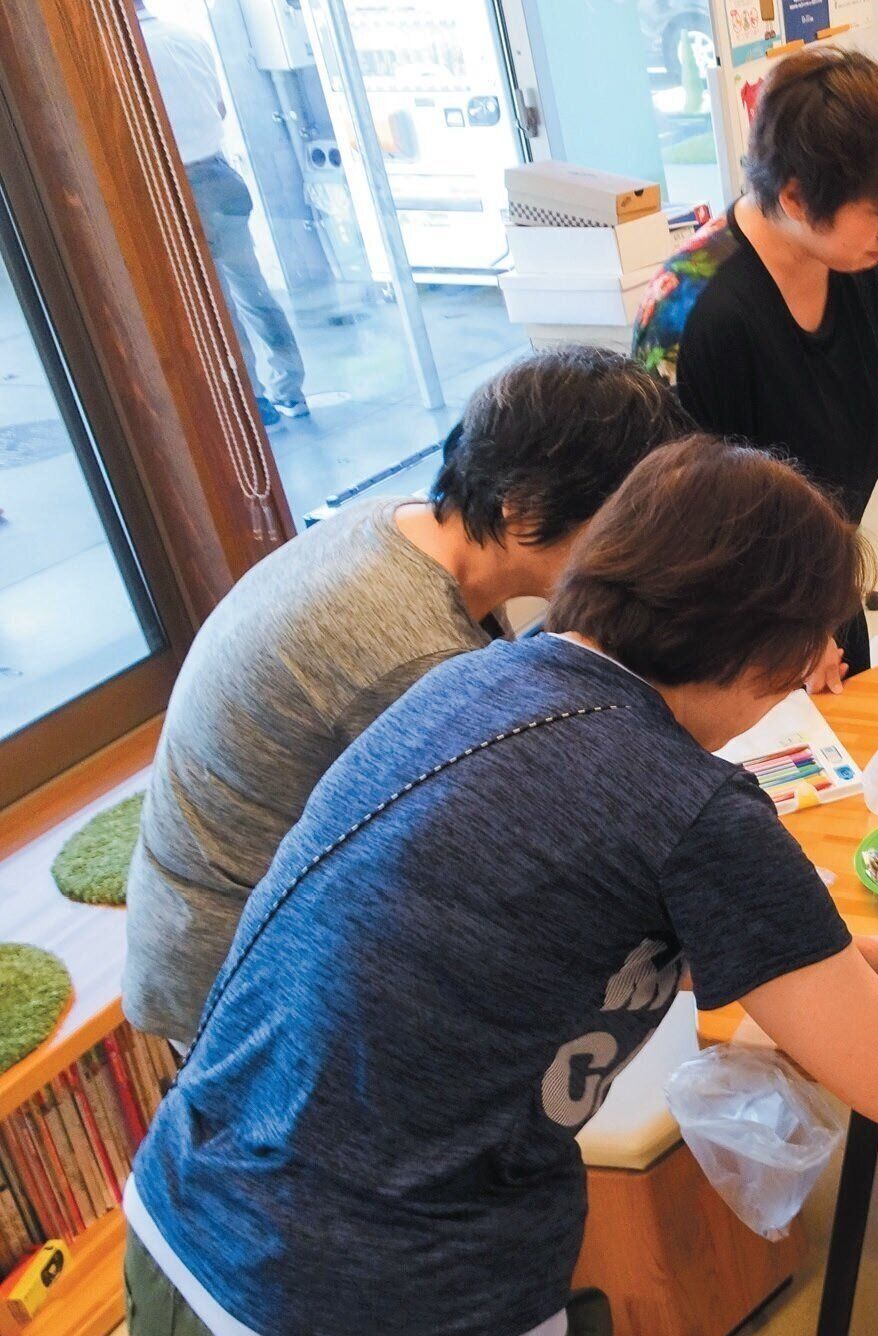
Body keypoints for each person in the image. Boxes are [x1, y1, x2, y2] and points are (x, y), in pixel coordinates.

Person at [122, 436, 878, 1336]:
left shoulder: (474, 679)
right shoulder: (695, 807)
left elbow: (568, 926)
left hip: (177, 1247)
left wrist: (862, 959)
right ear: (763, 656)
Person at [125, 347, 689, 1049]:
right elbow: (507, 866)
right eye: (622, 529)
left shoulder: (407, 527)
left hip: (262, 907)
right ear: (523, 510)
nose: (636, 556)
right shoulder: (413, 650)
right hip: (242, 967)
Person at [632, 48, 878, 689]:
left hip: (823, 594)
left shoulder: (852, 264)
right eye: (876, 208)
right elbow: (683, 530)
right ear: (796, 197)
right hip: (731, 635)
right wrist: (787, 635)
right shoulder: (694, 312)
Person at [122, 0, 308, 425]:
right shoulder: (187, 37)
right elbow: (219, 108)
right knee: (253, 291)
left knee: (212, 305)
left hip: (177, 185)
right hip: (221, 176)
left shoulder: (129, 52)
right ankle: (289, 388)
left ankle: (251, 403)